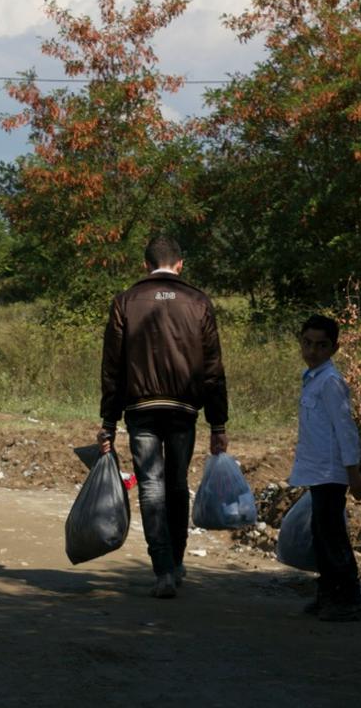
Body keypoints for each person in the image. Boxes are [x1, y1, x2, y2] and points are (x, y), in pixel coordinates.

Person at [98, 234, 229, 599]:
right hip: (184, 409)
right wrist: (218, 423)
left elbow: (113, 367)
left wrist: (108, 421)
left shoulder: (125, 301)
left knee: (151, 488)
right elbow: (213, 368)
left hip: (140, 409)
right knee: (175, 484)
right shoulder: (198, 301)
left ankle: (163, 571)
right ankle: (178, 561)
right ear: (180, 264)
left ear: (145, 264)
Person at [292, 314, 361, 622]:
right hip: (316, 470)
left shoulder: (331, 382)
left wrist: (353, 474)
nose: (312, 351)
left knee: (333, 535)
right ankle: (327, 595)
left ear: (333, 349)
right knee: (321, 534)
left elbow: (345, 429)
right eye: (307, 343)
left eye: (321, 346)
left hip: (332, 472)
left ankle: (349, 599)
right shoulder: (311, 379)